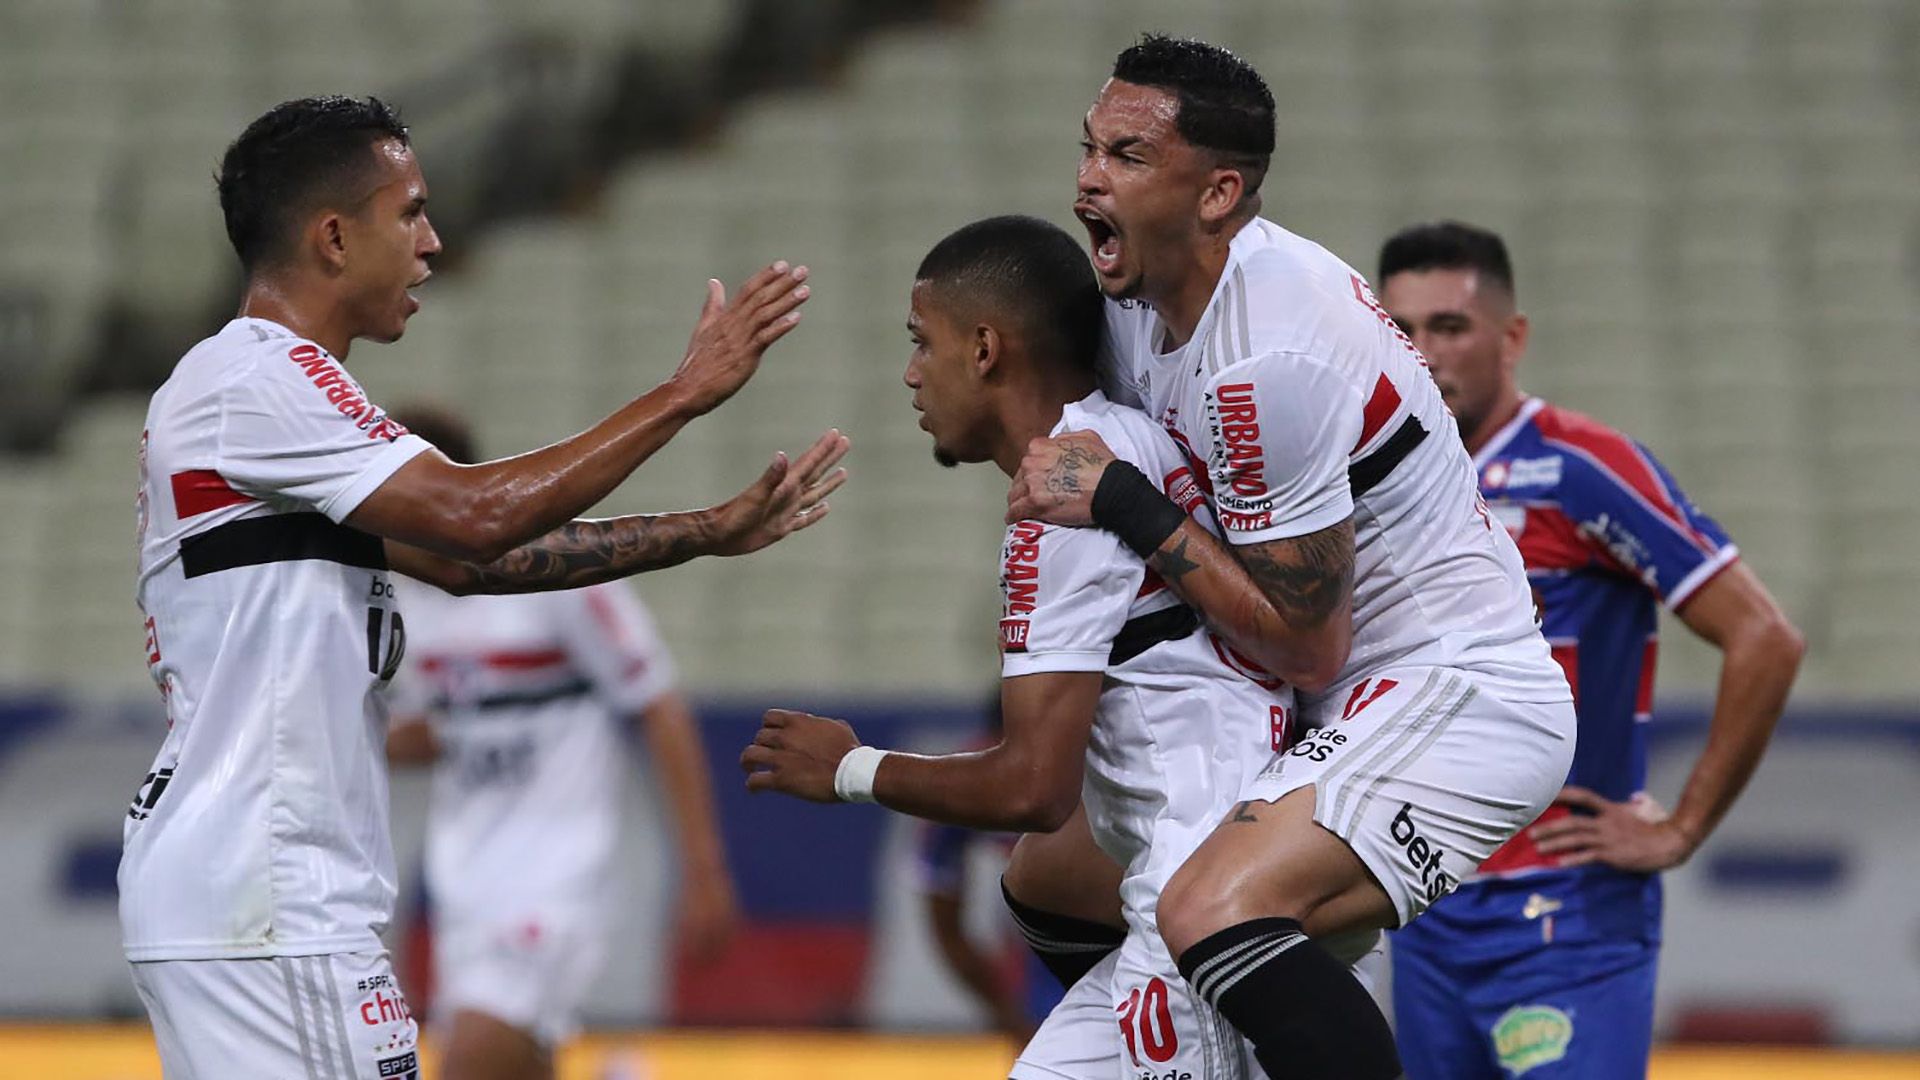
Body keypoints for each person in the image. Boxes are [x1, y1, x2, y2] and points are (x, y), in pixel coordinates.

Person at [125, 95, 845, 1080]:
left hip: (250, 892)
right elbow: (476, 516)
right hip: (271, 895)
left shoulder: (256, 395)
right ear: (333, 238)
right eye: (410, 212)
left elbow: (468, 565)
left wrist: (705, 532)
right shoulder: (262, 380)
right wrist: (682, 394)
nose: (431, 242)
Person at [1004, 36, 1576, 1080]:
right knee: (1052, 880)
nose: (1088, 178)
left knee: (1213, 907)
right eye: (1088, 148)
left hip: (1451, 691)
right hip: (1314, 707)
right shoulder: (1145, 304)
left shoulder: (1267, 353)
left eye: (1128, 156)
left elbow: (1311, 644)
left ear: (1218, 194)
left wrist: (1120, 499)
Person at [741, 214, 1295, 1079]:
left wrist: (850, 768)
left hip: (1201, 899)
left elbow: (1034, 787)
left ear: (985, 349)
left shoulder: (1060, 503)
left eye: (922, 342)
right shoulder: (1122, 441)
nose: (911, 373)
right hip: (1233, 867)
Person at [1374, 221, 1805, 1078]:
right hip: (1425, 910)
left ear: (1513, 337)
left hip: (1566, 920)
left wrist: (1681, 829)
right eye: (1402, 329)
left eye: (1450, 327)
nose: (1423, 353)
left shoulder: (1578, 468)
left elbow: (1765, 636)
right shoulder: (1380, 481)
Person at [382, 404, 738, 1080]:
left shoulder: (549, 571)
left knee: (472, 1062)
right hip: (465, 879)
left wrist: (702, 867)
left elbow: (657, 701)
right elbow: (445, 728)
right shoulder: (406, 598)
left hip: (555, 873)